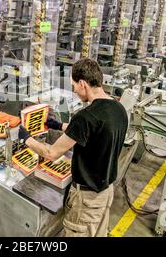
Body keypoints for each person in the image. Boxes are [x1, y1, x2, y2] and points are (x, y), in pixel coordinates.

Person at [18, 58, 128, 237]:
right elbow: (92, 131)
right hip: (106, 193)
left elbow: (51, 153)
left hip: (86, 200)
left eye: (74, 85)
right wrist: (57, 125)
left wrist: (26, 139)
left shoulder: (86, 116)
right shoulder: (118, 108)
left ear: (83, 83)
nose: (74, 90)